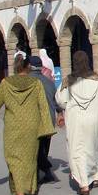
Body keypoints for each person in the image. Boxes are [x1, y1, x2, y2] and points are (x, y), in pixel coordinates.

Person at [0, 57, 57, 195]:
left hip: (12, 126)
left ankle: (19, 191)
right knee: (29, 159)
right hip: (32, 126)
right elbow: (43, 107)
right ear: (28, 67)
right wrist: (47, 127)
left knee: (13, 158)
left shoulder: (5, 83)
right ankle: (29, 187)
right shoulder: (36, 83)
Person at [55, 50, 98, 195]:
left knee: (77, 150)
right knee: (91, 147)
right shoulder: (97, 81)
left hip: (75, 119)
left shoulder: (68, 82)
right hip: (94, 119)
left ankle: (84, 185)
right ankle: (96, 176)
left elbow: (61, 101)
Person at [28, 55, 63, 185]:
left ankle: (43, 173)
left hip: (33, 120)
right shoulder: (49, 82)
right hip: (49, 120)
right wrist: (60, 113)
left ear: (29, 66)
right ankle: (44, 173)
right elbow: (56, 101)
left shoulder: (27, 81)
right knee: (44, 147)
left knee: (34, 149)